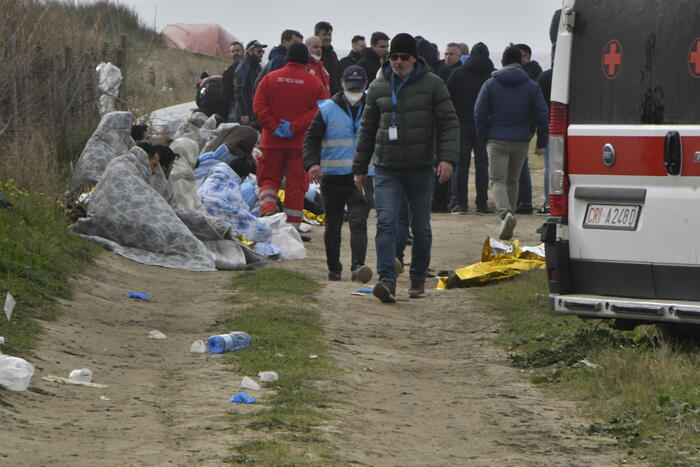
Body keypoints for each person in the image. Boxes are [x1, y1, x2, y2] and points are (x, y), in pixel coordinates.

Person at [353, 33, 459, 303]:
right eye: (394, 57)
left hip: (421, 168)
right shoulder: (377, 87)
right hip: (387, 168)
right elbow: (366, 130)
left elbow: (449, 122)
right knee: (385, 222)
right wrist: (360, 166)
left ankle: (418, 276)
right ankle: (387, 280)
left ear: (415, 59)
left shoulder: (433, 84)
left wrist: (447, 159)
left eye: (404, 57)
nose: (399, 61)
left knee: (420, 226)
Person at [303, 65, 373, 283]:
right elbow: (310, 140)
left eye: (358, 86)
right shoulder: (327, 109)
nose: (354, 89)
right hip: (332, 177)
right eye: (350, 85)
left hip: (362, 175)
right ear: (342, 84)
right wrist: (312, 164)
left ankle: (357, 267)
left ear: (365, 85)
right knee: (332, 224)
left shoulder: (374, 107)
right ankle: (334, 269)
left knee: (358, 222)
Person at [474, 45, 548, 240]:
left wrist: (484, 136)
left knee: (497, 180)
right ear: (521, 62)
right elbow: (542, 114)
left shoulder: (490, 84)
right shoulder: (532, 85)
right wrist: (541, 140)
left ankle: (505, 214)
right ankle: (511, 217)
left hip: (497, 138)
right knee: (512, 180)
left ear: (502, 62)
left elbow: (479, 113)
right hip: (521, 139)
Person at [253, 43, 328, 228]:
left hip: (271, 142)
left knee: (268, 180)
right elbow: (321, 110)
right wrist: (295, 127)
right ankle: (292, 228)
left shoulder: (269, 79)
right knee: (296, 186)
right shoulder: (315, 83)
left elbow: (258, 107)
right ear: (306, 60)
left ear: (287, 58)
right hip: (299, 145)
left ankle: (268, 212)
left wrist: (273, 126)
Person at [446, 42, 494, 215]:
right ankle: (482, 204)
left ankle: (461, 203)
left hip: (461, 124)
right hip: (483, 126)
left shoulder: (457, 74)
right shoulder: (491, 76)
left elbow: (448, 99)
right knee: (483, 166)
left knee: (461, 165)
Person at [536, 44, 554, 216]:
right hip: (572, 125)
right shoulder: (578, 75)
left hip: (551, 124)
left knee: (550, 165)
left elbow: (539, 108)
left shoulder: (545, 76)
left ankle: (550, 201)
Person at [234, 40, 267, 125]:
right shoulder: (244, 67)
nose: (261, 54)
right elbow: (239, 91)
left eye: (262, 51)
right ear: (250, 51)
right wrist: (244, 113)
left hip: (254, 110)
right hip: (246, 112)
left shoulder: (257, 66)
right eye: (259, 51)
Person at [315, 21, 341, 95]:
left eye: (329, 35)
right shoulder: (312, 55)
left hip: (333, 97)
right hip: (319, 97)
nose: (328, 37)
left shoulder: (333, 55)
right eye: (324, 35)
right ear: (316, 36)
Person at [222, 41, 244, 121]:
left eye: (237, 51)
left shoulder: (251, 69)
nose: (235, 53)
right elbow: (225, 94)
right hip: (234, 108)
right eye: (233, 51)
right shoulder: (228, 71)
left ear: (243, 51)